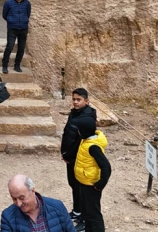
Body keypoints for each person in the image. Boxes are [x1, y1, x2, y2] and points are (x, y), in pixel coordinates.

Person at [61, 88, 97, 225]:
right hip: (70, 157)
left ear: (86, 101)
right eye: (74, 99)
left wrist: (69, 154)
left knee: (81, 189)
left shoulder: (87, 118)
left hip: (78, 158)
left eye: (78, 100)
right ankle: (77, 211)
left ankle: (84, 219)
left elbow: (81, 141)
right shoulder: (74, 113)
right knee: (74, 185)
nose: (75, 102)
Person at [73, 117, 110, 232]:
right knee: (87, 212)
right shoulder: (86, 140)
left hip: (92, 185)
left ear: (84, 131)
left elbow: (106, 167)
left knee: (94, 214)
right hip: (84, 182)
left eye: (79, 130)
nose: (77, 132)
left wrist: (100, 184)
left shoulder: (93, 147)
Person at [1, 175, 76, 231]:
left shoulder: (57, 207)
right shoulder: (8, 216)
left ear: (33, 191)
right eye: (14, 199)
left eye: (21, 198)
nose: (18, 203)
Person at [1, 0, 31, 74]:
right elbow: (4, 15)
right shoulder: (8, 3)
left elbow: (28, 14)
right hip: (12, 29)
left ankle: (17, 65)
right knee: (10, 46)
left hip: (23, 29)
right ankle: (4, 65)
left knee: (21, 48)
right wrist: (11, 21)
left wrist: (23, 21)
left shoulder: (27, 3)